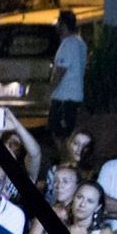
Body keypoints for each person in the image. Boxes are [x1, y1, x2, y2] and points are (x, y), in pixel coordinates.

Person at [45, 10, 85, 140]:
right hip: (75, 97)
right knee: (67, 134)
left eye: (59, 23)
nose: (57, 26)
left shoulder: (68, 44)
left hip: (64, 98)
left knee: (59, 135)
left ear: (64, 25)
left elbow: (60, 71)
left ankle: (65, 159)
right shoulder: (80, 43)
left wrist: (49, 91)